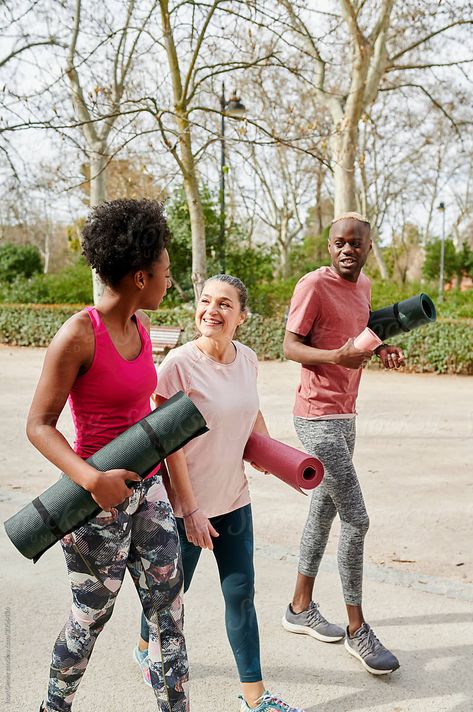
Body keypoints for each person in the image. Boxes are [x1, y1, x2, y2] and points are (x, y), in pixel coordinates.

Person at [27, 199, 189, 712]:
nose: (170, 278)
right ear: (141, 276)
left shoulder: (142, 327)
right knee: (91, 616)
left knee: (170, 613)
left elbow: (141, 409)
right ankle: (54, 707)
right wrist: (91, 480)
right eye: (166, 270)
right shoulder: (78, 334)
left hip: (149, 490)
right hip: (95, 502)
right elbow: (38, 425)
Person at [134, 274, 304, 712]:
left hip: (235, 500)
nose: (212, 310)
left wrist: (273, 456)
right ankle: (142, 645)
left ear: (241, 317)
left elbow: (251, 409)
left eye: (225, 304)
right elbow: (166, 442)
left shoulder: (247, 358)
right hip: (185, 506)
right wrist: (188, 509)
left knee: (241, 593)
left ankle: (255, 696)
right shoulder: (177, 365)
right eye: (206, 301)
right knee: (172, 595)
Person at [281, 212, 403, 675]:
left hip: (347, 415)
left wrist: (381, 348)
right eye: (339, 243)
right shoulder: (312, 285)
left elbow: (362, 333)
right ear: (329, 247)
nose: (347, 249)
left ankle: (299, 607)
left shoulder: (365, 287)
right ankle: (357, 630)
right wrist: (337, 356)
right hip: (316, 418)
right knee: (357, 518)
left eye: (356, 243)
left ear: (368, 247)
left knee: (324, 509)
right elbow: (290, 346)